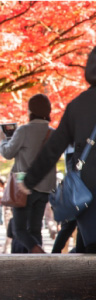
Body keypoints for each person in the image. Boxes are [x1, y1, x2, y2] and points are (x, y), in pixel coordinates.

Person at [21, 47, 96, 254]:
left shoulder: (78, 106)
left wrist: (29, 181)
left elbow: (53, 148)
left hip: (89, 191)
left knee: (87, 250)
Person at [0, 94, 56, 253]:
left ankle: (38, 253)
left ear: (30, 110)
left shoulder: (23, 130)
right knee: (35, 229)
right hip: (45, 188)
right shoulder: (53, 133)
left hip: (24, 187)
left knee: (20, 229)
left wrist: (3, 139)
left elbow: (8, 153)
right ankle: (36, 264)